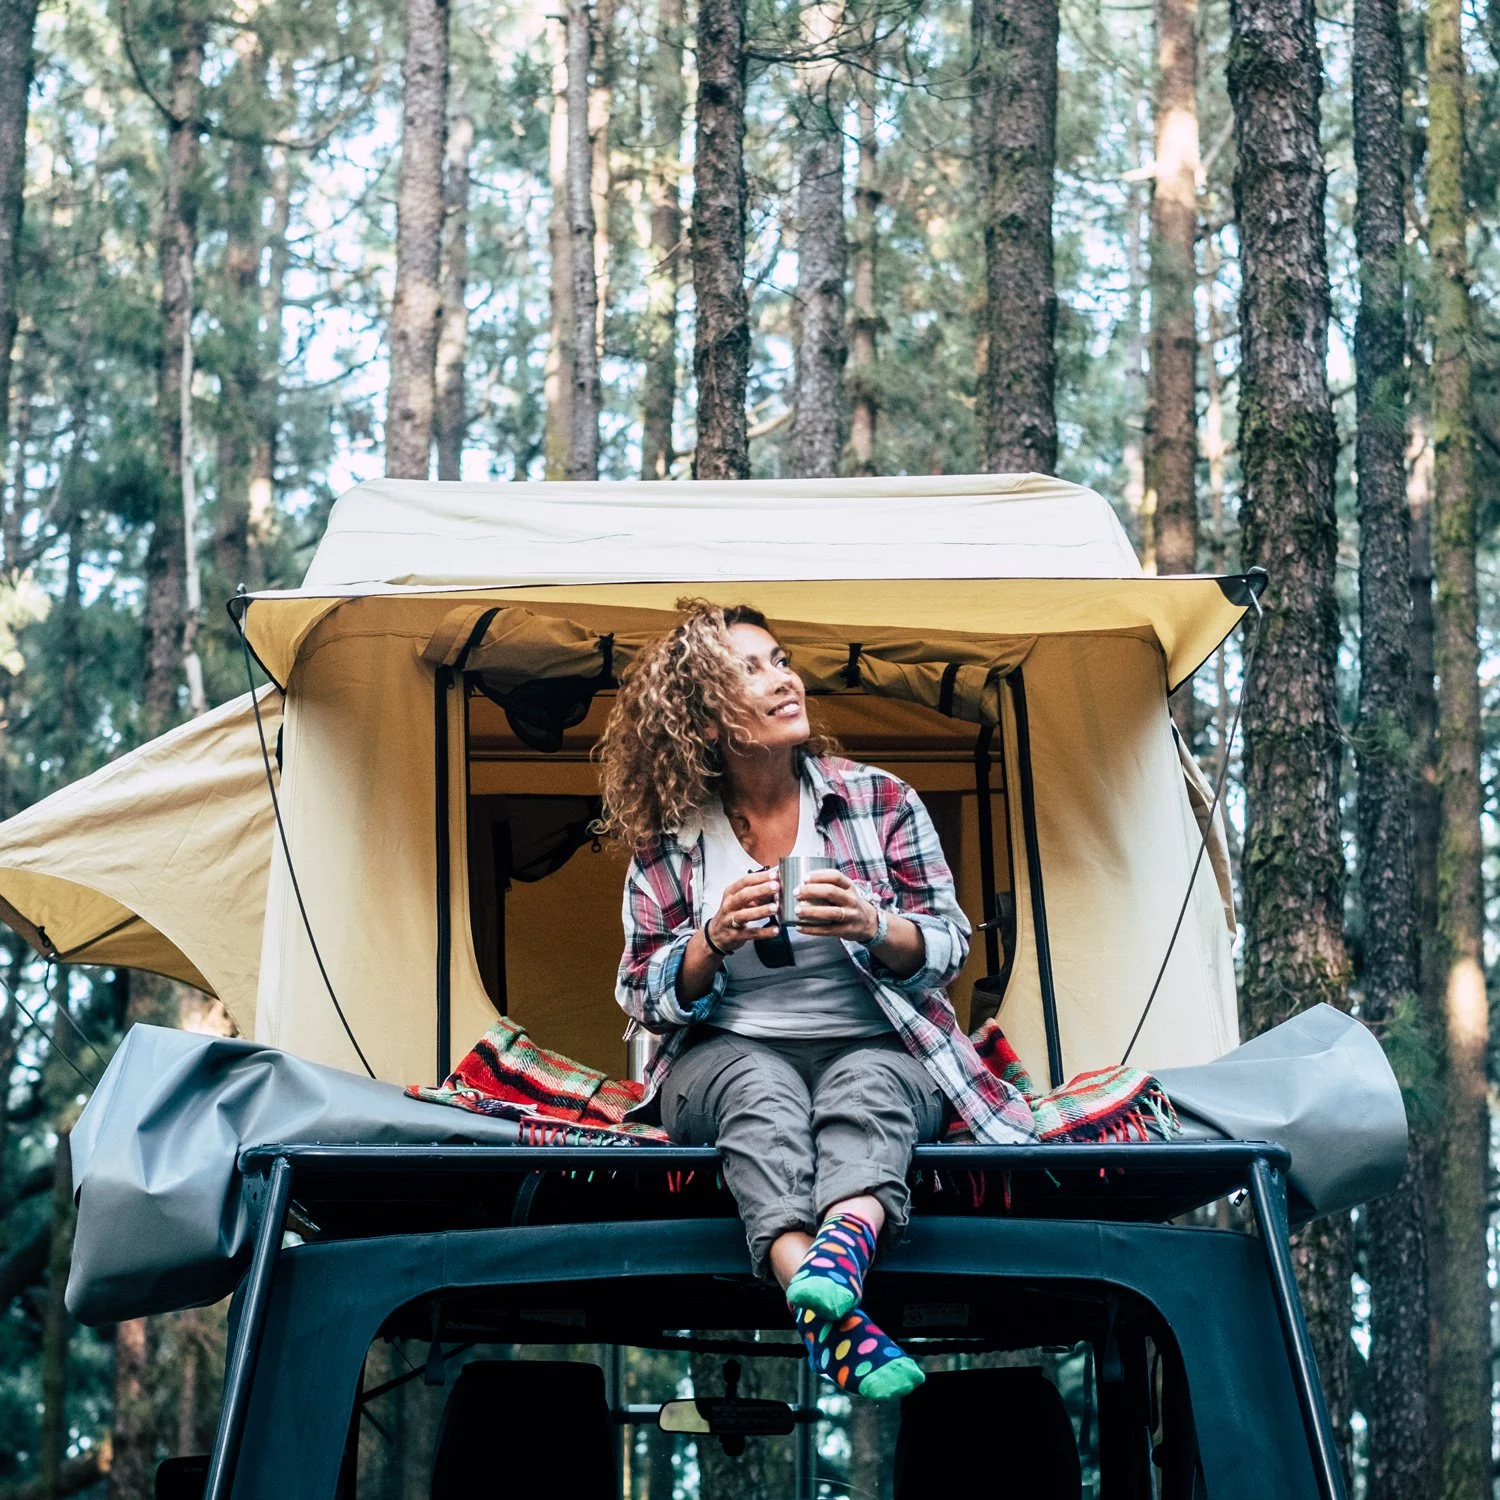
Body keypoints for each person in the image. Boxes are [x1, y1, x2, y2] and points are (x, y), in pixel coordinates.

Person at [597, 600, 1034, 1401]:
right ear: (704, 717)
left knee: (870, 1089)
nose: (783, 679)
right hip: (725, 1054)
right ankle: (829, 1313)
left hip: (878, 1041)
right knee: (757, 1094)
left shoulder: (880, 800)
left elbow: (948, 946)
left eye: (781, 660)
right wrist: (709, 941)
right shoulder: (671, 840)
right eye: (751, 670)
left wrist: (875, 925)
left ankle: (832, 1269)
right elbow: (640, 992)